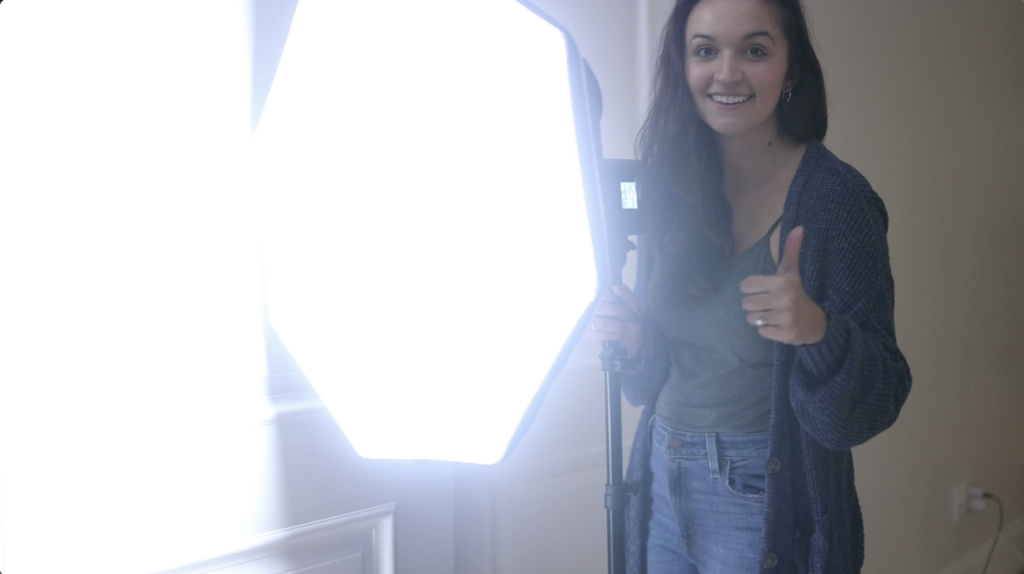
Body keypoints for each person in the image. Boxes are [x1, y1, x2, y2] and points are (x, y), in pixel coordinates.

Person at [585, 0, 912, 572]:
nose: (727, 72)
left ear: (791, 70)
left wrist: (818, 334)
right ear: (682, 67)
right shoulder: (669, 185)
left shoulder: (837, 202)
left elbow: (873, 405)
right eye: (705, 50)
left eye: (755, 50)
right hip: (661, 479)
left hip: (761, 498)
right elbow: (651, 381)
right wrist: (636, 345)